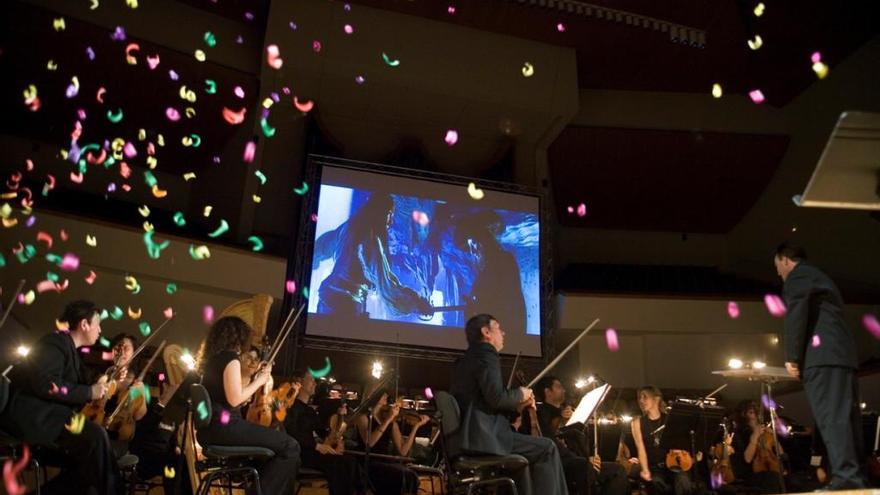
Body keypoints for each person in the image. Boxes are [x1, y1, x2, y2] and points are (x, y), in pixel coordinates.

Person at [0, 300, 123, 494]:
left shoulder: (68, 349)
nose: (100, 330)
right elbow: (48, 384)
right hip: (35, 416)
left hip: (50, 416)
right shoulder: (54, 342)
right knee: (96, 438)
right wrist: (90, 392)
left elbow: (84, 375)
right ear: (84, 324)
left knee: (89, 463)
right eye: (97, 324)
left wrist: (103, 377)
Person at [774, 242, 868, 489]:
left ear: (785, 260)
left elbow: (796, 314)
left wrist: (792, 356)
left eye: (777, 267)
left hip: (823, 356)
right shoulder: (819, 276)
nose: (778, 274)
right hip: (840, 354)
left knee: (831, 417)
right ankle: (854, 475)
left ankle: (847, 477)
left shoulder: (799, 276)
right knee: (846, 417)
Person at [450, 313, 567, 495]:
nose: (503, 333)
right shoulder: (486, 354)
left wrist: (518, 406)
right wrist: (521, 393)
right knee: (548, 448)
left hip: (471, 437)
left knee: (528, 459)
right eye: (498, 328)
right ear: (486, 332)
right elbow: (496, 397)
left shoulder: (467, 358)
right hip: (484, 438)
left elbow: (486, 401)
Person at [195, 316, 300, 494]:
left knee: (275, 451)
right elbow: (235, 400)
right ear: (239, 337)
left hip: (211, 429)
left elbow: (229, 398)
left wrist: (254, 383)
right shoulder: (231, 359)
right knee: (291, 446)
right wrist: (259, 381)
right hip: (225, 427)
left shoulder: (214, 360)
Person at [313, 192, 432, 317]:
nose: (390, 221)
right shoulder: (370, 240)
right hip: (344, 303)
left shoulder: (349, 227)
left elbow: (323, 246)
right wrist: (417, 303)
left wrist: (313, 259)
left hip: (328, 297)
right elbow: (386, 285)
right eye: (389, 214)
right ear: (381, 213)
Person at [535, 375, 627, 495]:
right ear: (548, 392)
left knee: (617, 470)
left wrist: (591, 456)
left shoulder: (567, 412)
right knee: (587, 467)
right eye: (559, 387)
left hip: (578, 459)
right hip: (561, 463)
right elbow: (552, 441)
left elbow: (577, 441)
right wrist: (585, 459)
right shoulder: (542, 412)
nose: (564, 390)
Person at [284, 369, 364, 495]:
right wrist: (318, 446)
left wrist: (339, 418)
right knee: (340, 464)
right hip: (301, 453)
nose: (315, 383)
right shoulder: (290, 406)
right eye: (311, 380)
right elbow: (291, 433)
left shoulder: (309, 411)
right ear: (299, 382)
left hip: (312, 451)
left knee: (351, 461)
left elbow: (324, 432)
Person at [350, 383, 428, 494]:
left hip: (385, 462)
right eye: (382, 393)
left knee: (410, 475)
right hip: (369, 462)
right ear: (373, 396)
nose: (386, 395)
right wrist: (388, 419)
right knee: (403, 475)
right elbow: (369, 442)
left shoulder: (390, 421)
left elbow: (403, 450)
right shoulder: (363, 417)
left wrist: (416, 427)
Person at [631, 386, 693, 495]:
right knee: (656, 483)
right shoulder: (637, 423)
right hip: (653, 467)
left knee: (683, 481)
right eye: (640, 397)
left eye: (645, 397)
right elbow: (640, 448)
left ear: (656, 399)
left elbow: (680, 443)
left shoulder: (670, 419)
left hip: (673, 463)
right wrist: (645, 470)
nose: (641, 400)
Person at [728, 400, 783, 494]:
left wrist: (774, 437)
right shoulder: (740, 434)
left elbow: (781, 453)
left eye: (756, 410)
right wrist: (754, 437)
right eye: (750, 411)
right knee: (772, 478)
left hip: (770, 469)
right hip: (750, 472)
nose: (755, 412)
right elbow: (747, 459)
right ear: (743, 414)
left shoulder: (765, 430)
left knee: (787, 479)